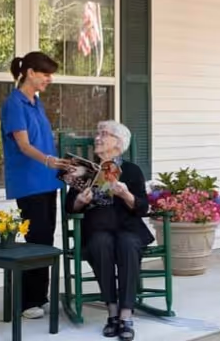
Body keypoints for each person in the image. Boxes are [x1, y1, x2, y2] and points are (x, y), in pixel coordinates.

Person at [66, 120, 153, 341]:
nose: (97, 137)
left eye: (104, 134)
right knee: (100, 244)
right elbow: (70, 208)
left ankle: (126, 315)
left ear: (118, 142)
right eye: (97, 133)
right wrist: (79, 200)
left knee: (128, 244)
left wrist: (126, 195)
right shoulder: (85, 170)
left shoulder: (131, 171)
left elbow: (143, 207)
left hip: (128, 228)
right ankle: (112, 312)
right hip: (97, 229)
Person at [1, 51, 71, 319]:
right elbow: (23, 145)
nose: (49, 79)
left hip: (46, 180)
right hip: (28, 182)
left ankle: (39, 297)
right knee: (35, 240)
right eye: (45, 74)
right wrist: (50, 160)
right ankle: (27, 302)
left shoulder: (35, 103)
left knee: (45, 240)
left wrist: (59, 164)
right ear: (30, 72)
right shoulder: (14, 104)